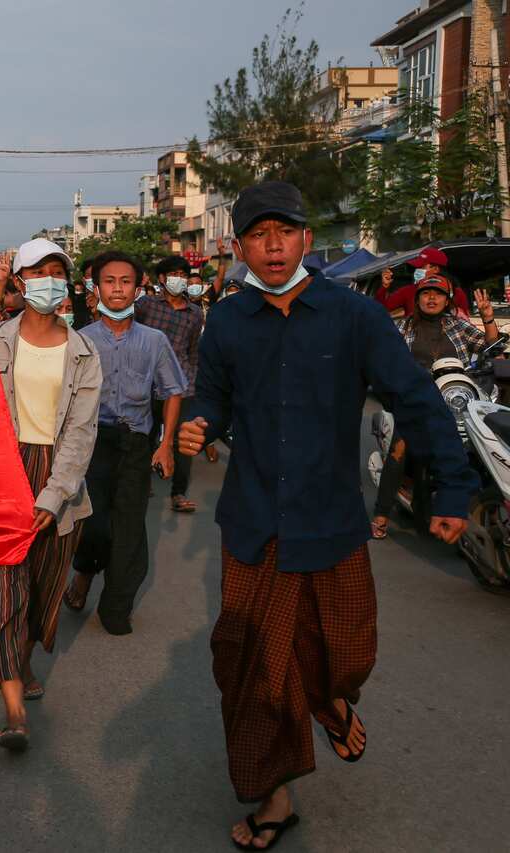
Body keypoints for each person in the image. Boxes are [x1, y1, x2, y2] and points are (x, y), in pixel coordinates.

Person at [177, 181, 477, 850]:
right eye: (259, 234)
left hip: (334, 520)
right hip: (254, 524)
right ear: (241, 246)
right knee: (251, 668)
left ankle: (331, 696)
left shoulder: (353, 316)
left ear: (307, 240)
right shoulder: (226, 320)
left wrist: (452, 491)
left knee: (347, 651)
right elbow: (212, 399)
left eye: (286, 231)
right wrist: (199, 424)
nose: (274, 244)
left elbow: (416, 398)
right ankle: (275, 795)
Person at [0, 237, 101, 751]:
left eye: (57, 271)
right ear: (21, 280)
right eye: (38, 271)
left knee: (43, 592)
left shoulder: (84, 353)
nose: (48, 279)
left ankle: (23, 658)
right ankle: (12, 711)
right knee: (4, 592)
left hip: (61, 482)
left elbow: (81, 433)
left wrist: (52, 497)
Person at [64, 251, 186, 635]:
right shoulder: (80, 340)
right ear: (95, 287)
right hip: (93, 442)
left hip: (136, 442)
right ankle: (83, 572)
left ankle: (115, 607)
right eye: (110, 282)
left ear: (138, 288)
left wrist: (165, 445)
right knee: (95, 524)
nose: (117, 289)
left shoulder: (154, 340)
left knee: (130, 528)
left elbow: (173, 391)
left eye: (126, 282)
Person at [371, 274, 497, 538]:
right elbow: (384, 358)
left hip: (457, 399)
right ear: (417, 299)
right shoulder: (403, 327)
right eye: (426, 293)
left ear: (447, 300)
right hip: (415, 402)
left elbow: (490, 347)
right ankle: (381, 514)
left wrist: (487, 317)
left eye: (438, 294)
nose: (431, 298)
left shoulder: (458, 326)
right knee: (399, 449)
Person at [138, 255, 204, 514]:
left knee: (182, 441)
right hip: (148, 384)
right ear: (162, 279)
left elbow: (192, 350)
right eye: (174, 274)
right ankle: (142, 484)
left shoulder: (195, 314)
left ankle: (178, 493)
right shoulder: (146, 306)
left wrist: (192, 380)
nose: (180, 279)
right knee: (145, 435)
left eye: (183, 275)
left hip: (182, 385)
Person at [378, 247, 471, 318]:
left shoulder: (457, 293)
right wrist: (384, 286)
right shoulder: (408, 291)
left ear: (435, 269)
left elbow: (464, 321)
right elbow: (380, 310)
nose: (416, 271)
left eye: (421, 267)